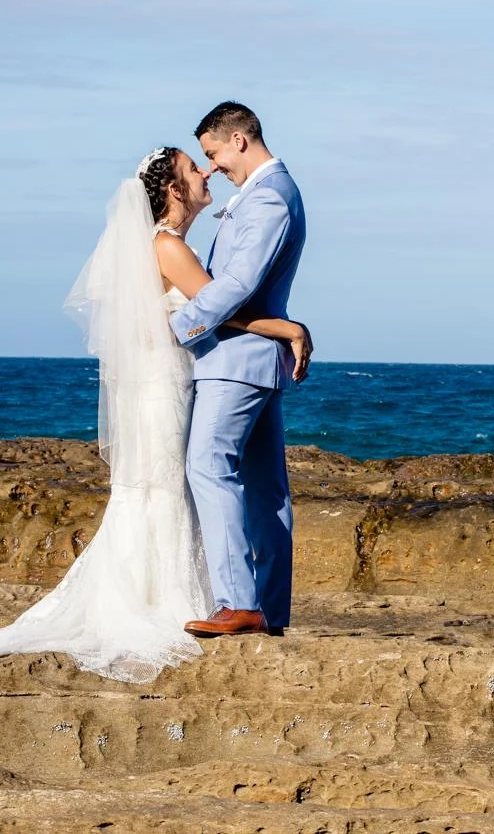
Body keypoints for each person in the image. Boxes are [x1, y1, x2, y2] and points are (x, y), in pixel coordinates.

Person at [0, 143, 309, 681]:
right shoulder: (168, 247)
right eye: (195, 167)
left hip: (153, 386)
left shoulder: (151, 246)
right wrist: (284, 327)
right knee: (172, 486)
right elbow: (220, 307)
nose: (205, 171)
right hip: (167, 386)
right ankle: (174, 600)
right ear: (173, 190)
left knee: (154, 488)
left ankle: (161, 596)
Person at [171, 102, 307, 638]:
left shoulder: (270, 197)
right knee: (265, 491)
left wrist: (183, 326)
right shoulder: (261, 194)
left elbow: (237, 284)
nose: (212, 168)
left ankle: (239, 604)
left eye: (214, 154)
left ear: (239, 140)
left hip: (235, 363)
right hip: (252, 360)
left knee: (207, 466)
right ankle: (269, 611)